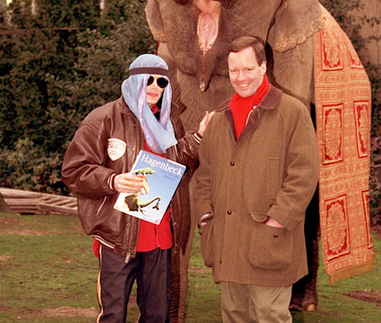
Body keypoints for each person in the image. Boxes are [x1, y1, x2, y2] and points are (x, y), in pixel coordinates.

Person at [61, 53, 212, 323]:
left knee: (157, 315)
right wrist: (113, 180)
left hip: (160, 236)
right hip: (118, 239)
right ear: (133, 82)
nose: (155, 87)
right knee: (114, 315)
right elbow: (74, 170)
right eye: (148, 80)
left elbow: (175, 162)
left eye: (161, 82)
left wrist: (198, 136)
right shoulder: (103, 119)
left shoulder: (167, 121)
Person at [194, 36, 319, 323]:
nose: (241, 77)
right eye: (234, 70)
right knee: (234, 316)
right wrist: (205, 217)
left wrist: (278, 219)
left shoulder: (292, 112)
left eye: (248, 69)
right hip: (227, 242)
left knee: (269, 316)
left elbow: (304, 174)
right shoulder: (218, 117)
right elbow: (204, 176)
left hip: (269, 242)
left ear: (263, 67)